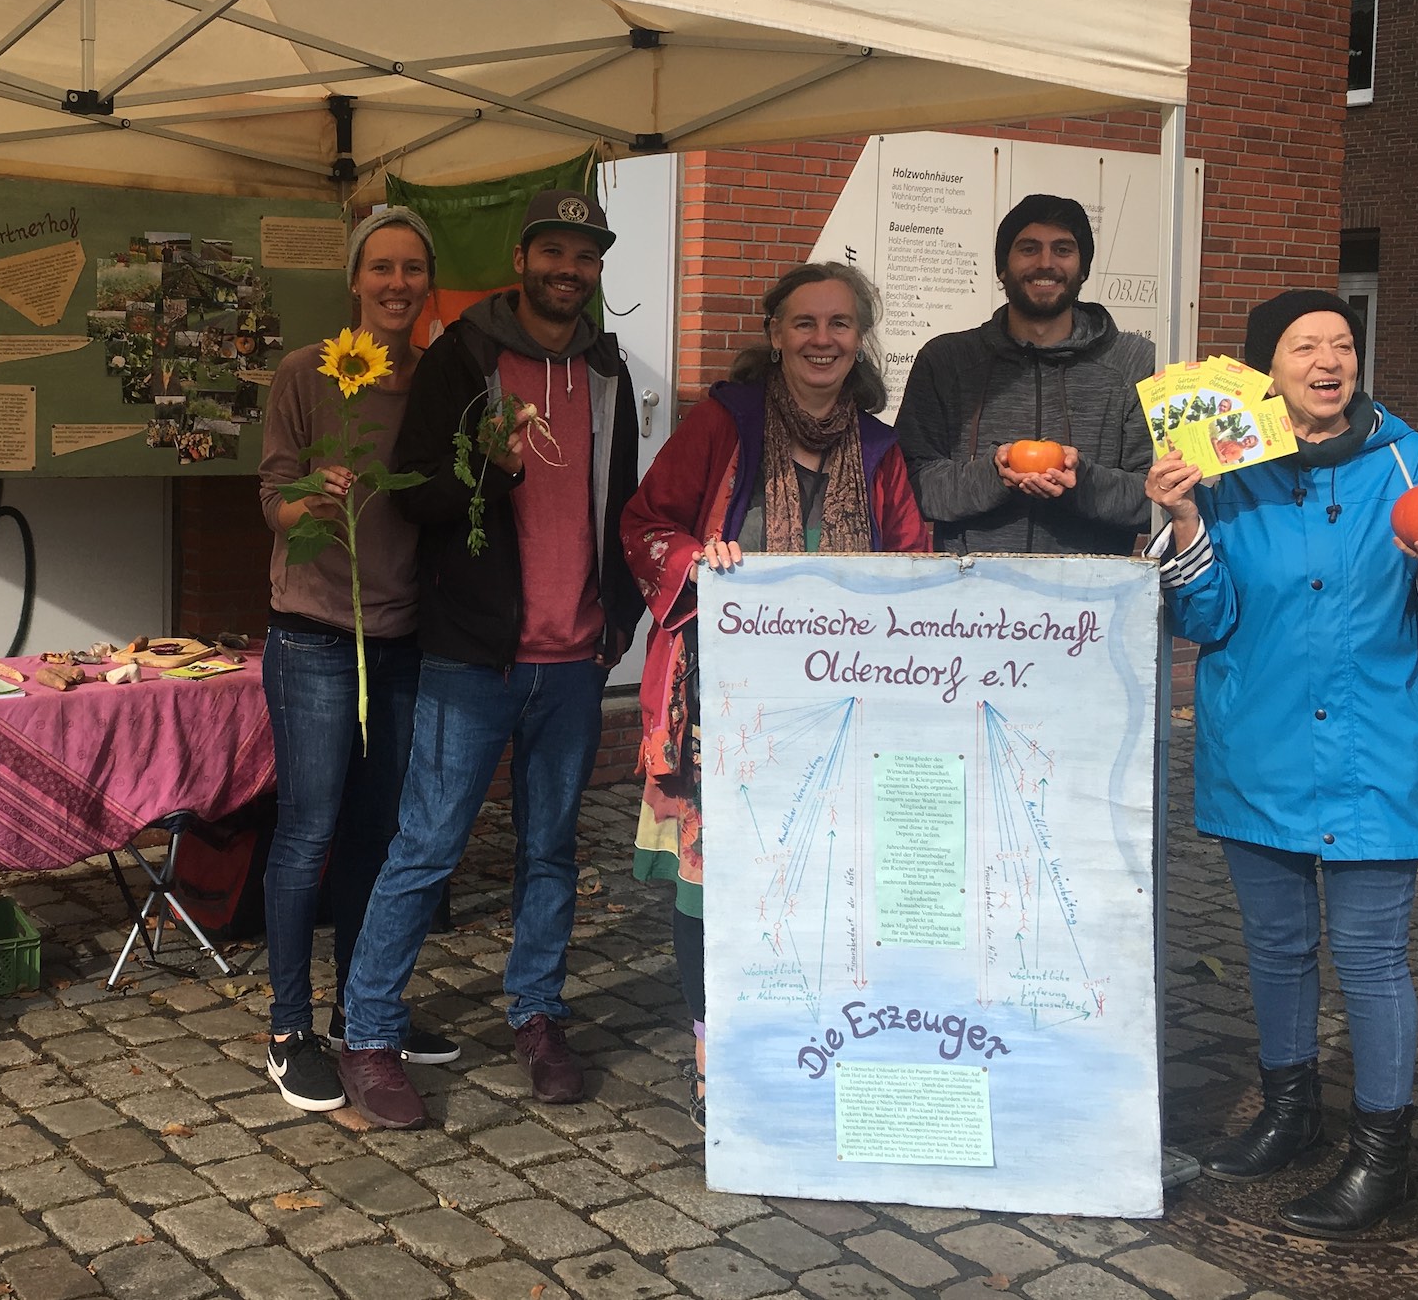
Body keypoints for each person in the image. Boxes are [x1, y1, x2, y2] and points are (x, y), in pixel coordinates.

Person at [1148, 289, 1418, 1236]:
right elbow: (1207, 618)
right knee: (1274, 945)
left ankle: (1379, 1154)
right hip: (1255, 748)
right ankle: (1289, 1112)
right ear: (1269, 369)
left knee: (1373, 958)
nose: (1327, 359)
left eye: (1342, 343)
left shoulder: (1411, 460)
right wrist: (1184, 524)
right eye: (1304, 346)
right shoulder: (1226, 470)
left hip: (1376, 753)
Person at [335, 188, 644, 1129]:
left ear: (595, 269)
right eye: (553, 251)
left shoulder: (606, 367)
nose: (568, 269)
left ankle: (539, 1015)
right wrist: (491, 463)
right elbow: (417, 498)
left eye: (584, 256)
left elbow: (621, 496)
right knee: (428, 845)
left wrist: (616, 621)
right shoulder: (463, 355)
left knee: (550, 850)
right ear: (523, 258)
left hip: (573, 658)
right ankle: (369, 1033)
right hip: (475, 657)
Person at [620, 262, 931, 1129]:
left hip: (839, 708)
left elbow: (911, 561)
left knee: (823, 876)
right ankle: (716, 1054)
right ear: (774, 334)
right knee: (712, 881)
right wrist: (696, 558)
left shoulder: (879, 447)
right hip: (722, 701)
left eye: (839, 323)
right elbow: (646, 522)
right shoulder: (726, 422)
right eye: (804, 323)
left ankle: (810, 1034)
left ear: (859, 336)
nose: (822, 339)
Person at [254, 205, 460, 1114]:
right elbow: (272, 504)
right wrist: (312, 493)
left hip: (405, 639)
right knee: (307, 834)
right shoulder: (306, 375)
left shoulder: (441, 381)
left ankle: (362, 1013)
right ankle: (289, 1027)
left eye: (413, 269)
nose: (397, 284)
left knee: (380, 841)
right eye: (381, 267)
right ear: (354, 280)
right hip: (313, 635)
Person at [895, 193, 1155, 556]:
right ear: (1002, 268)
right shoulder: (946, 361)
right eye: (1029, 249)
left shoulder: (1134, 362)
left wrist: (1083, 483)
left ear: (1083, 269)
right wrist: (992, 476)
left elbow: (1157, 500)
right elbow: (909, 485)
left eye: (1062, 249)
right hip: (971, 597)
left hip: (1095, 600)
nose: (1046, 263)